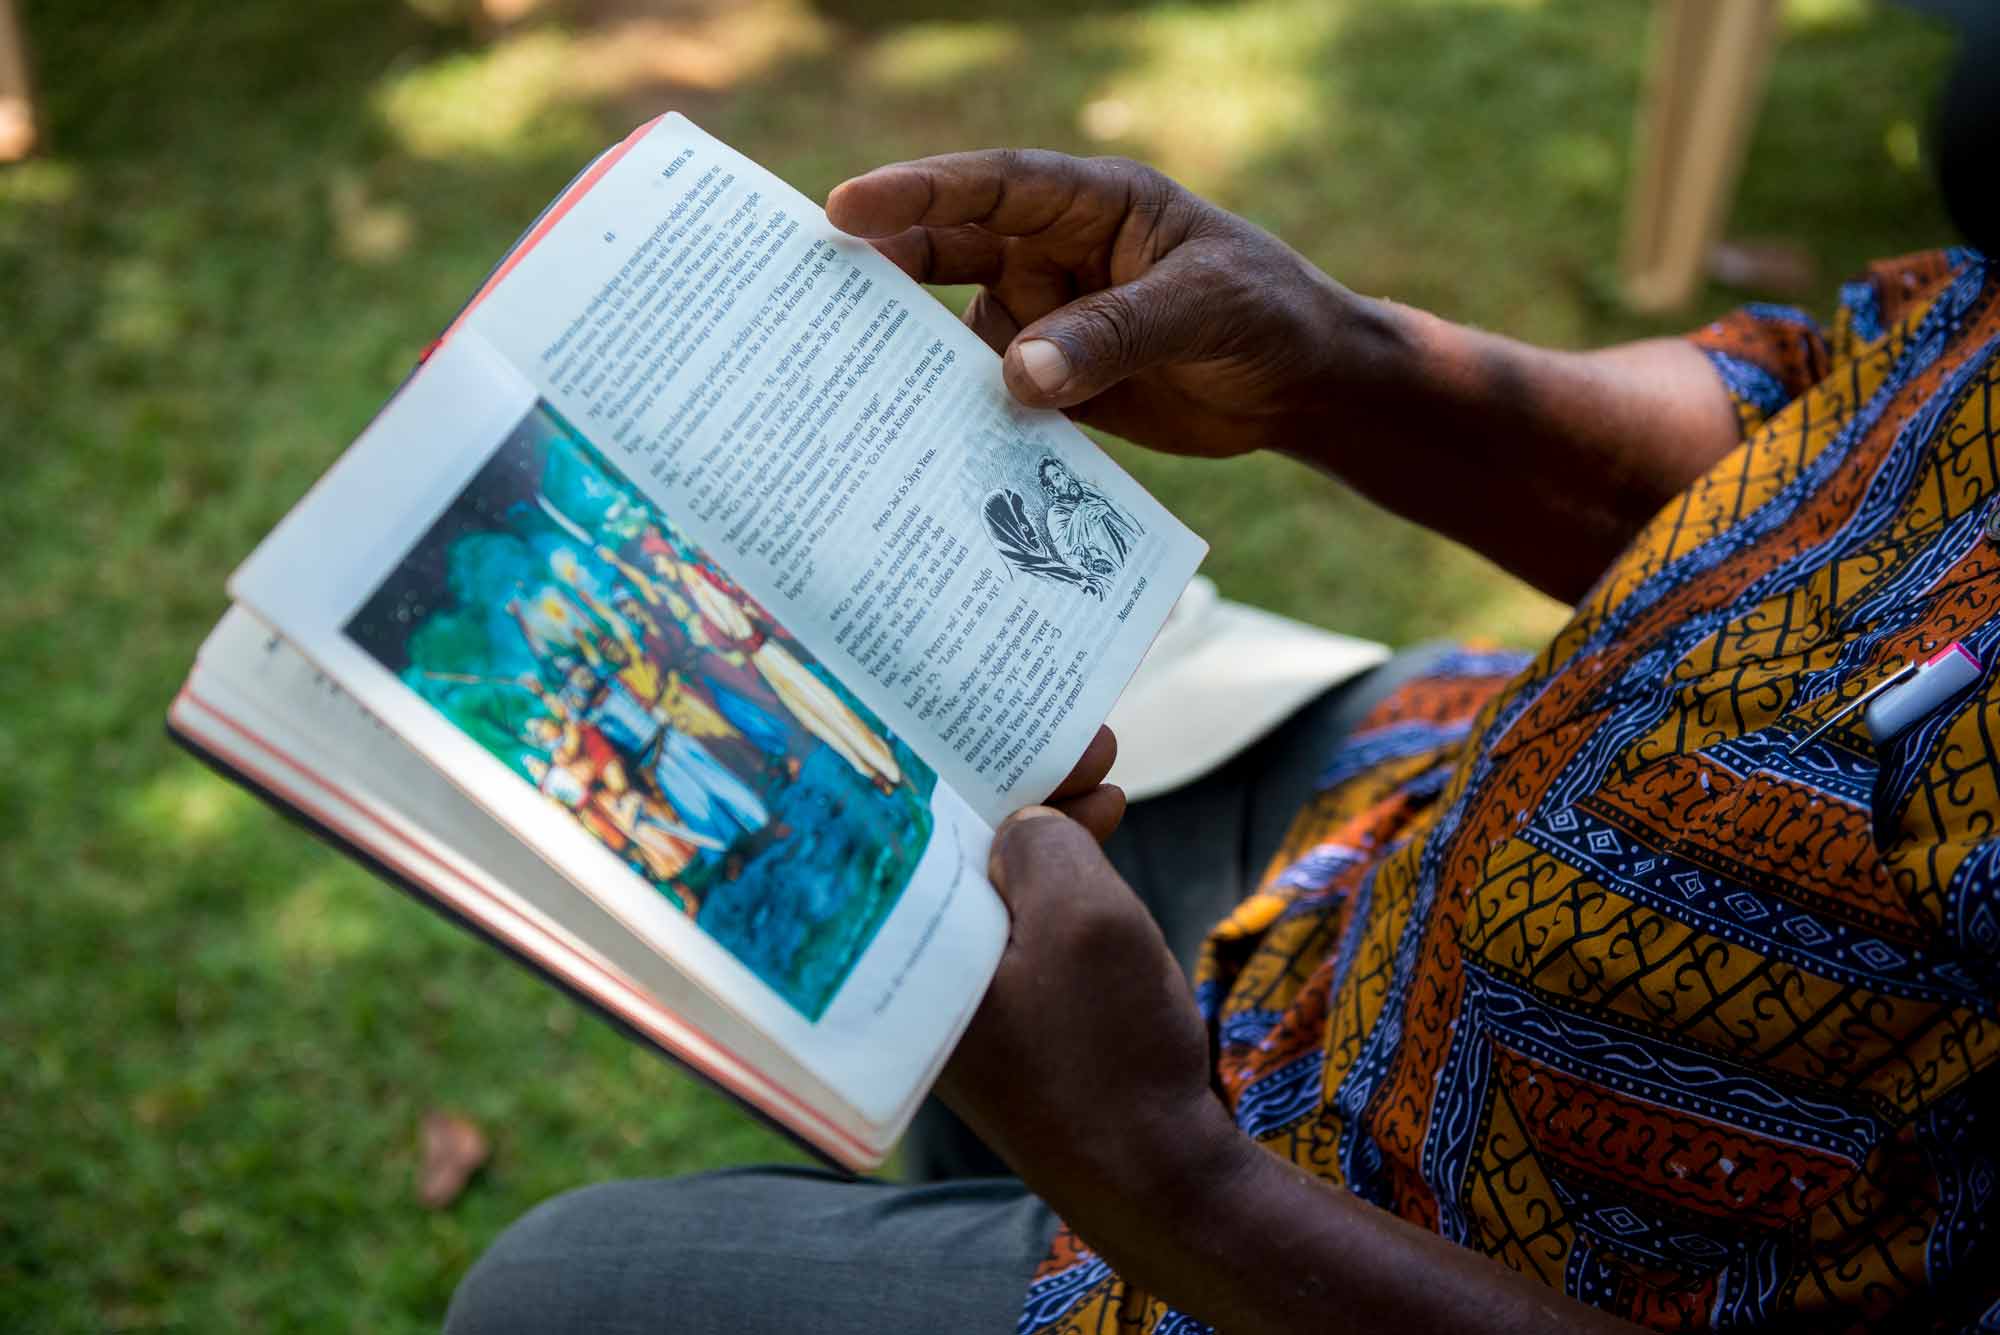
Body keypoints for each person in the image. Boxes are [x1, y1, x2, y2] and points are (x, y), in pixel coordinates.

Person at [445, 147, 2000, 1334]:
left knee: (563, 1299)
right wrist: (1343, 360)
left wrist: (1173, 1185)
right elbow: (1814, 440)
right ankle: (1010, 1183)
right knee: (963, 812)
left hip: (1386, 1245)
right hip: (1408, 825)